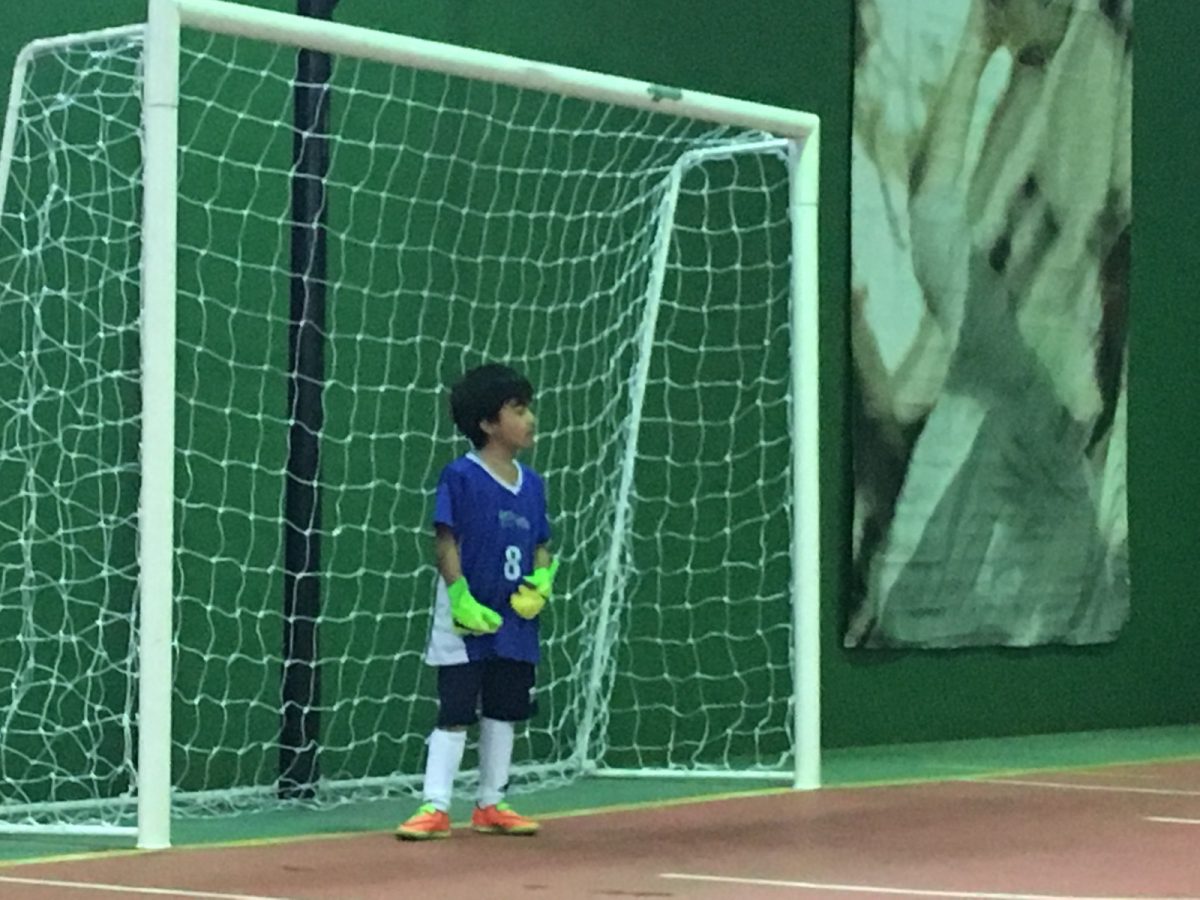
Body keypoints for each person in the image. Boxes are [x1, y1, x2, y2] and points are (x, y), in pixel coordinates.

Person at [396, 363, 559, 841]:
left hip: (515, 621)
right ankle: (435, 804)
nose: (530, 419)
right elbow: (445, 539)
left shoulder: (532, 484)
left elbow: (541, 542)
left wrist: (542, 582)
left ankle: (491, 802)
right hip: (467, 620)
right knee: (456, 709)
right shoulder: (460, 476)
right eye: (519, 409)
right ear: (489, 422)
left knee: (505, 708)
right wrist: (460, 595)